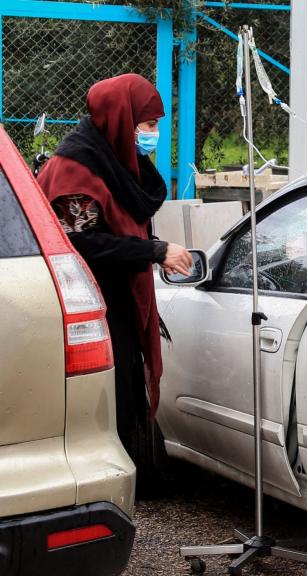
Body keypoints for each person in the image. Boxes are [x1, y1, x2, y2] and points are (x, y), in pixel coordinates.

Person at [38, 73, 192, 475]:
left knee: (124, 404)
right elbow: (83, 245)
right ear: (121, 120)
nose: (154, 134)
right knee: (109, 408)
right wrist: (155, 251)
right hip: (89, 312)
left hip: (117, 302)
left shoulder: (116, 163)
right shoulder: (77, 170)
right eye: (148, 124)